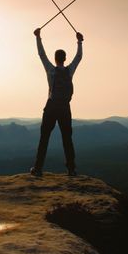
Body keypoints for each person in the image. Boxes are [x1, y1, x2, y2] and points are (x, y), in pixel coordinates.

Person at [30, 27, 84, 177]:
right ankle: (71, 169)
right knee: (67, 138)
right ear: (65, 59)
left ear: (55, 59)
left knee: (44, 137)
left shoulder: (51, 70)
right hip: (65, 108)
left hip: (51, 106)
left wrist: (38, 37)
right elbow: (79, 57)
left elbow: (41, 54)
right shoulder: (69, 70)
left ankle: (38, 168)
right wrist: (79, 41)